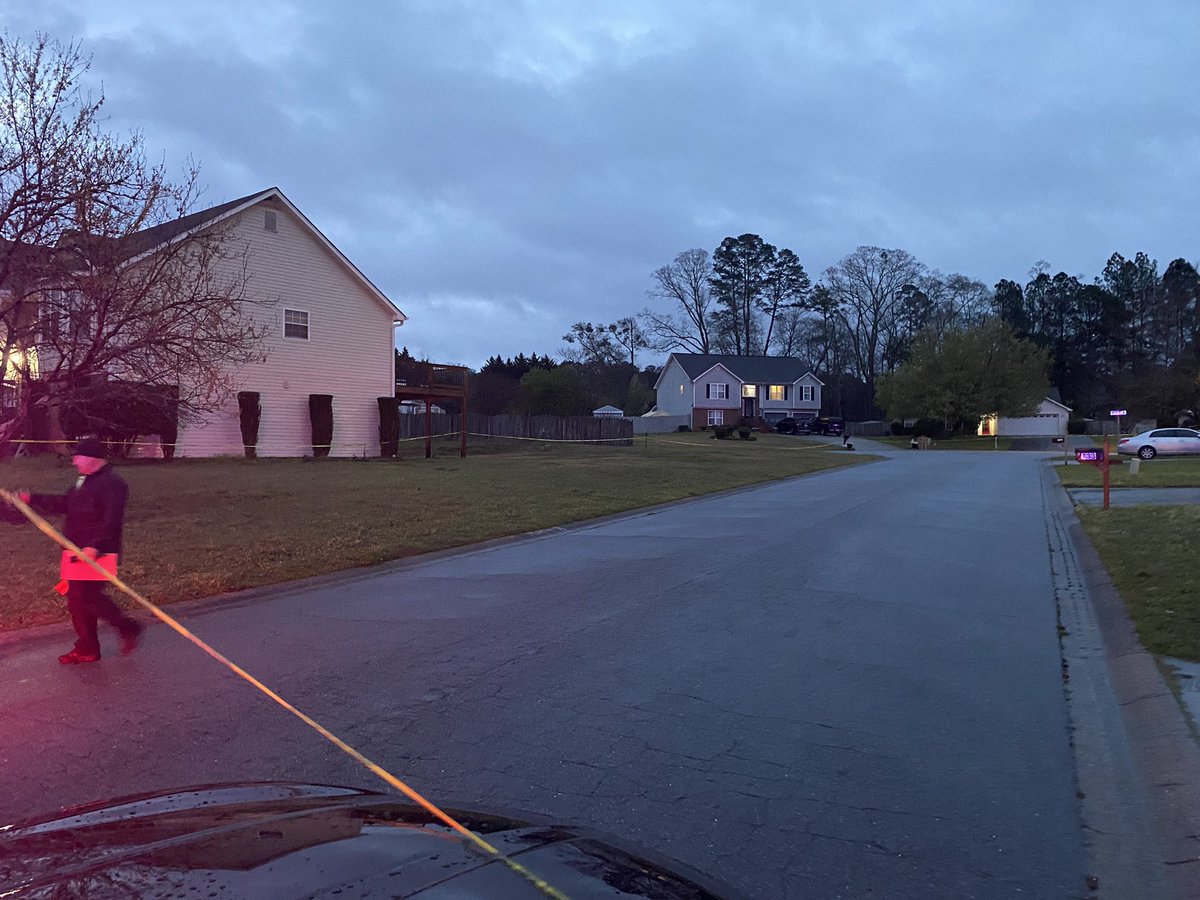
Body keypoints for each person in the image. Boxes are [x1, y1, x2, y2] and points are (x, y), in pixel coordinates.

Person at [18, 437, 144, 664]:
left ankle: (127, 628)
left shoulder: (113, 484)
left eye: (78, 457)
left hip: (98, 552)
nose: (74, 462)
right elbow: (66, 504)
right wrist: (33, 498)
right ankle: (90, 647)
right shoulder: (84, 481)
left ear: (92, 458)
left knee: (87, 597)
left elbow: (111, 519)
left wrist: (94, 545)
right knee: (77, 600)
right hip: (74, 550)